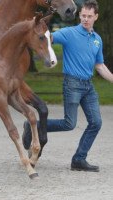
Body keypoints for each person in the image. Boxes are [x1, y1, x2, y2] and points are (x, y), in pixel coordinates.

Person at [22, 0, 113, 172]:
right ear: (79, 15)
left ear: (96, 17)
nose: (85, 19)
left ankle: (79, 159)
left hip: (88, 86)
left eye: (89, 16)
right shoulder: (69, 33)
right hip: (72, 84)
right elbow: (45, 38)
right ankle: (31, 126)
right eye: (83, 16)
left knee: (96, 123)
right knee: (69, 123)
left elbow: (100, 66)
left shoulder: (97, 40)